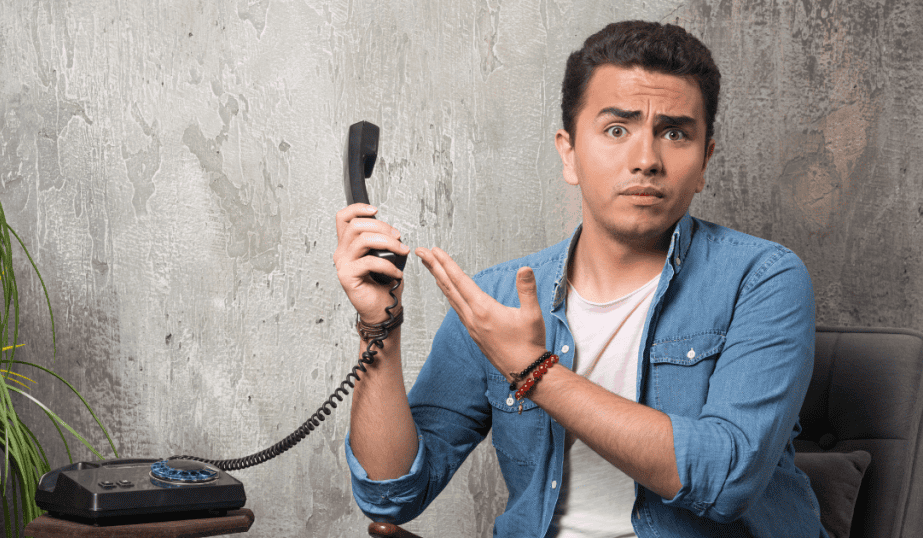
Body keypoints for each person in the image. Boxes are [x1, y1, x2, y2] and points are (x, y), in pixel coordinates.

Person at [333, 20, 825, 538]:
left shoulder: (764, 279)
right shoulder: (495, 301)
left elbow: (724, 479)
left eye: (675, 133)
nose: (646, 160)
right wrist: (378, 327)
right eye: (617, 129)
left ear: (704, 161)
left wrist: (533, 369)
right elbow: (390, 494)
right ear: (569, 152)